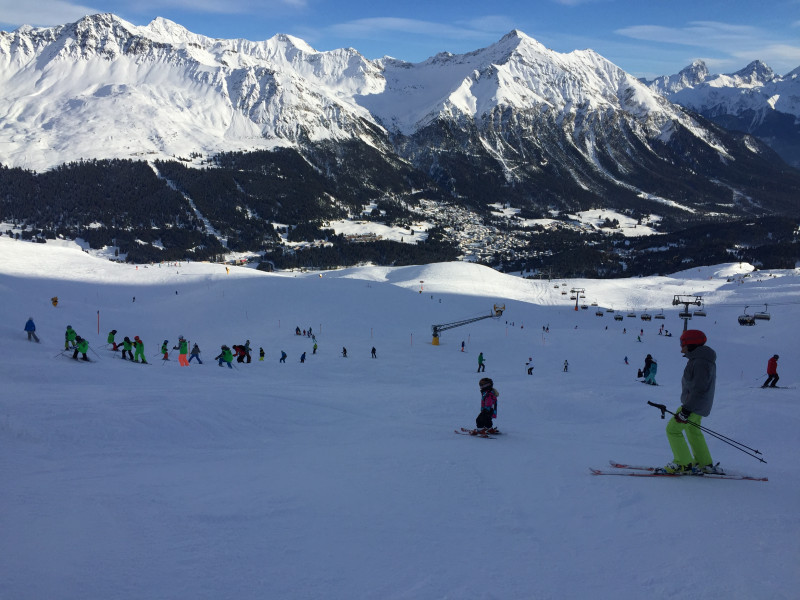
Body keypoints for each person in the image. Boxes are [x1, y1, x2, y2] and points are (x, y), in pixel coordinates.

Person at [660, 329, 720, 474]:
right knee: (692, 430)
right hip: (699, 405)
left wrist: (686, 410)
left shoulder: (700, 362)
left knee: (672, 429)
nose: (681, 348)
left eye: (683, 344)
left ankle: (683, 463)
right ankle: (704, 462)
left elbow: (699, 388)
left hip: (693, 405)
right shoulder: (701, 360)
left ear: (691, 345)